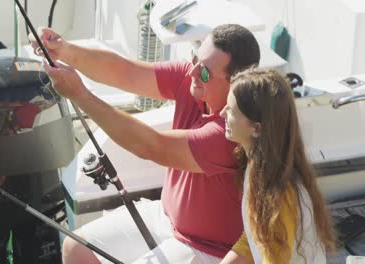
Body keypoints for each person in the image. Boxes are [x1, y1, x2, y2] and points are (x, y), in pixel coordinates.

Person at [30, 24, 260, 263]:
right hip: (166, 216)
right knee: (75, 248)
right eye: (194, 59)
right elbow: (124, 72)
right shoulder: (192, 80)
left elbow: (151, 146)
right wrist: (64, 50)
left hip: (208, 248)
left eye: (204, 72)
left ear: (236, 83)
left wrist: (80, 95)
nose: (192, 72)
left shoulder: (230, 131)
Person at [219, 68, 336, 263]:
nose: (222, 113)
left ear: (256, 129)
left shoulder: (278, 194)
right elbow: (252, 239)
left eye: (230, 110)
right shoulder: (259, 166)